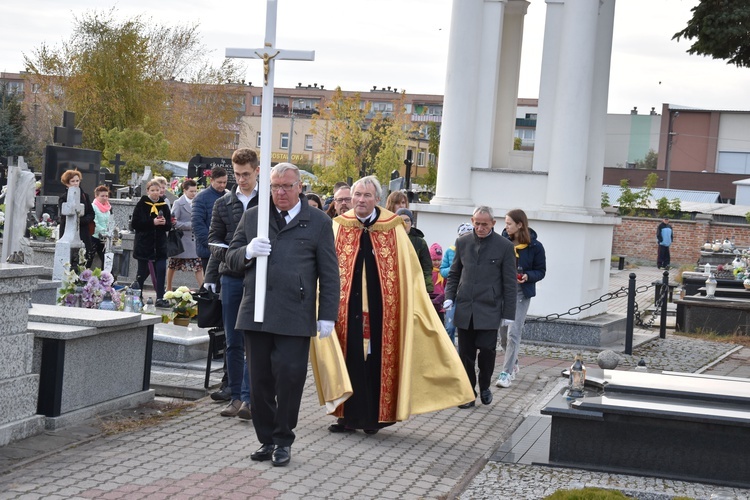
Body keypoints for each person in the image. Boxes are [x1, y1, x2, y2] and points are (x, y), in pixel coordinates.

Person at [323, 175, 473, 434]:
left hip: (384, 309)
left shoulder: (392, 229)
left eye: (367, 196)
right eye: (357, 195)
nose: (360, 200)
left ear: (377, 200)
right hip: (347, 309)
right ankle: (346, 416)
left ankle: (375, 418)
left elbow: (410, 271)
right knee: (349, 360)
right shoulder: (339, 226)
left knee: (377, 362)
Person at [225, 162, 339, 467]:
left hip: (295, 314)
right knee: (259, 382)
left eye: (287, 186)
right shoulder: (254, 218)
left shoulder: (317, 222)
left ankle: (284, 438)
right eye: (275, 186)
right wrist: (248, 250)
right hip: (257, 311)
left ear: (299, 187)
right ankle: (267, 439)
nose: (281, 192)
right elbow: (231, 259)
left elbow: (329, 273)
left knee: (289, 379)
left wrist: (327, 314)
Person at [204, 148, 259, 420]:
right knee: (233, 339)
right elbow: (214, 241)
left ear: (256, 171)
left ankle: (250, 398)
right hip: (232, 276)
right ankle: (235, 396)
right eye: (237, 175)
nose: (241, 180)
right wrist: (235, 258)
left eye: (246, 174)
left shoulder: (269, 201)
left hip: (260, 277)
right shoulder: (223, 203)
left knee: (253, 340)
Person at [444, 206, 517, 408]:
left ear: (493, 223)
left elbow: (510, 282)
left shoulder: (504, 246)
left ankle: (485, 385)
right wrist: (450, 296)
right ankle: (468, 393)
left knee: (487, 350)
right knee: (465, 354)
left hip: (489, 308)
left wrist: (509, 313)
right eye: (477, 223)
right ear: (472, 220)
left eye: (485, 224)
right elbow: (454, 273)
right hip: (465, 307)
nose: (480, 227)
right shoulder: (463, 242)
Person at [495, 209, 546, 389]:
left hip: (521, 293)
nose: (506, 227)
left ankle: (506, 373)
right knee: (502, 335)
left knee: (513, 333)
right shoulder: (501, 242)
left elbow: (541, 271)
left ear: (519, 225)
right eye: (505, 223)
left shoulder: (535, 246)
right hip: (502, 291)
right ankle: (514, 360)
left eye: (509, 223)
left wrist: (528, 276)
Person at [131, 179, 172, 305]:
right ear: (148, 191)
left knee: (160, 271)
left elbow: (169, 225)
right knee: (142, 272)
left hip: (159, 245)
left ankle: (159, 297)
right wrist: (152, 222)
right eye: (152, 190)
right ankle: (138, 295)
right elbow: (135, 224)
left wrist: (165, 223)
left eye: (157, 190)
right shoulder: (142, 204)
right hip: (144, 244)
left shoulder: (163, 205)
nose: (155, 193)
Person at [166, 179, 203, 291]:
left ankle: (203, 289)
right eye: (191, 191)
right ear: (184, 190)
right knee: (172, 265)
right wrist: (190, 225)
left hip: (194, 241)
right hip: (182, 241)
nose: (194, 194)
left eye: (195, 191)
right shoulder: (178, 203)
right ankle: (168, 287)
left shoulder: (197, 202)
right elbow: (173, 221)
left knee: (198, 267)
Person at [440, 222, 474, 343]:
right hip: (452, 291)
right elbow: (442, 270)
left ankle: (461, 356)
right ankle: (449, 352)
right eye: (463, 236)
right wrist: (455, 268)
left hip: (466, 292)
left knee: (464, 329)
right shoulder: (451, 251)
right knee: (449, 327)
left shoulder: (476, 251)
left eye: (469, 235)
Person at [192, 167, 229, 273]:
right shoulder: (201, 198)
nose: (222, 185)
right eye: (219, 182)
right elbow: (197, 225)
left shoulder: (228, 196)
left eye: (224, 182)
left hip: (226, 248)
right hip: (208, 250)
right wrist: (213, 245)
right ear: (211, 180)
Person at [58, 169, 95, 269]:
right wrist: (75, 221)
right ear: (67, 183)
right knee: (70, 259)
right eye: (72, 181)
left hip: (83, 230)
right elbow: (64, 214)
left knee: (85, 257)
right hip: (68, 230)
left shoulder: (85, 196)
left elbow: (91, 213)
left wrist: (82, 221)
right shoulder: (64, 198)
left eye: (77, 181)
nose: (75, 183)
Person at [396, 208, 433, 293]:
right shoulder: (389, 240)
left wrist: (428, 289)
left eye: (407, 220)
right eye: (400, 220)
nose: (403, 224)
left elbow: (426, 267)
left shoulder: (420, 242)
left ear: (411, 223)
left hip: (414, 286)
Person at [91, 185, 112, 268]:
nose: (105, 198)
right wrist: (105, 231)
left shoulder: (108, 208)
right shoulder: (93, 207)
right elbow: (94, 222)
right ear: (96, 196)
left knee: (106, 260)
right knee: (89, 259)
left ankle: (108, 278)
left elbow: (109, 222)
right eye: (102, 196)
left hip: (104, 238)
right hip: (94, 236)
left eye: (106, 196)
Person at [430, 243, 446, 324]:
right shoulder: (428, 272)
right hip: (430, 302)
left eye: (439, 260)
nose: (437, 262)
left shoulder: (443, 272)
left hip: (440, 303)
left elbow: (446, 286)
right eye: (434, 260)